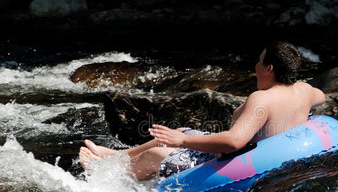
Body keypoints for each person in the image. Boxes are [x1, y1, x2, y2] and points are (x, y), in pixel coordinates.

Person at [79, 41, 325, 181]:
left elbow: (234, 141)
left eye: (260, 61)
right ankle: (116, 155)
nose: (256, 65)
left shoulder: (261, 99)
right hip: (265, 155)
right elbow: (321, 97)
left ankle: (106, 179)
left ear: (269, 68)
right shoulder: (305, 90)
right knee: (181, 129)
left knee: (158, 153)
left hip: (240, 162)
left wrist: (183, 141)